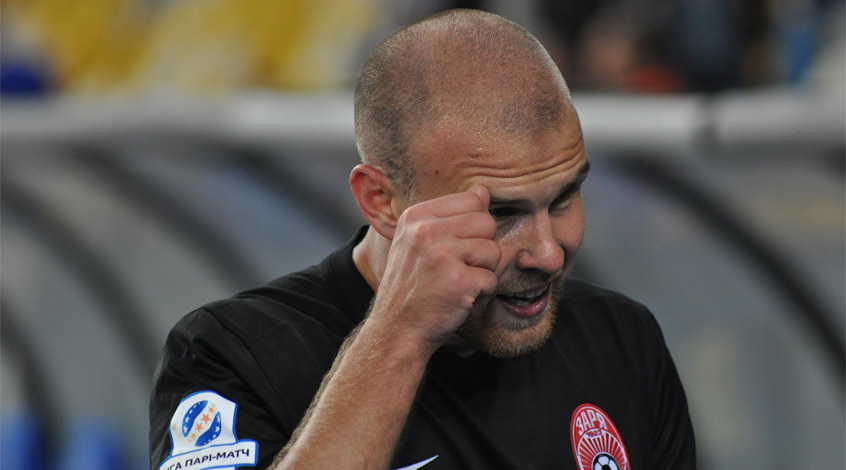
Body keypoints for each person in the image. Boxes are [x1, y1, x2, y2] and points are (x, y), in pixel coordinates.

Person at [149, 9, 696, 470]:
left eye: (563, 198)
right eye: (501, 212)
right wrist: (401, 334)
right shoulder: (232, 355)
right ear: (380, 201)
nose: (549, 253)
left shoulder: (622, 340)